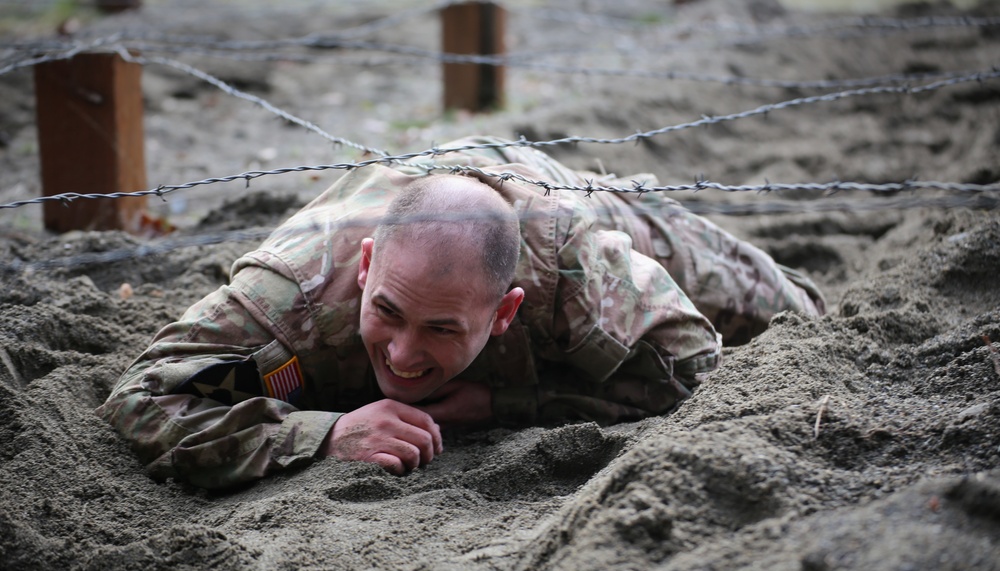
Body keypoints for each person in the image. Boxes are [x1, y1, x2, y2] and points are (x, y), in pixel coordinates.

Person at [98, 137, 825, 490]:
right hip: (414, 201)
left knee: (799, 312)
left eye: (442, 328)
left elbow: (694, 367)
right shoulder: (294, 309)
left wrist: (512, 399)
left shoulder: (574, 274)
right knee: (278, 369)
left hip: (566, 201)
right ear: (365, 269)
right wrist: (321, 433)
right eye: (388, 313)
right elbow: (150, 391)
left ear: (506, 314)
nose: (406, 356)